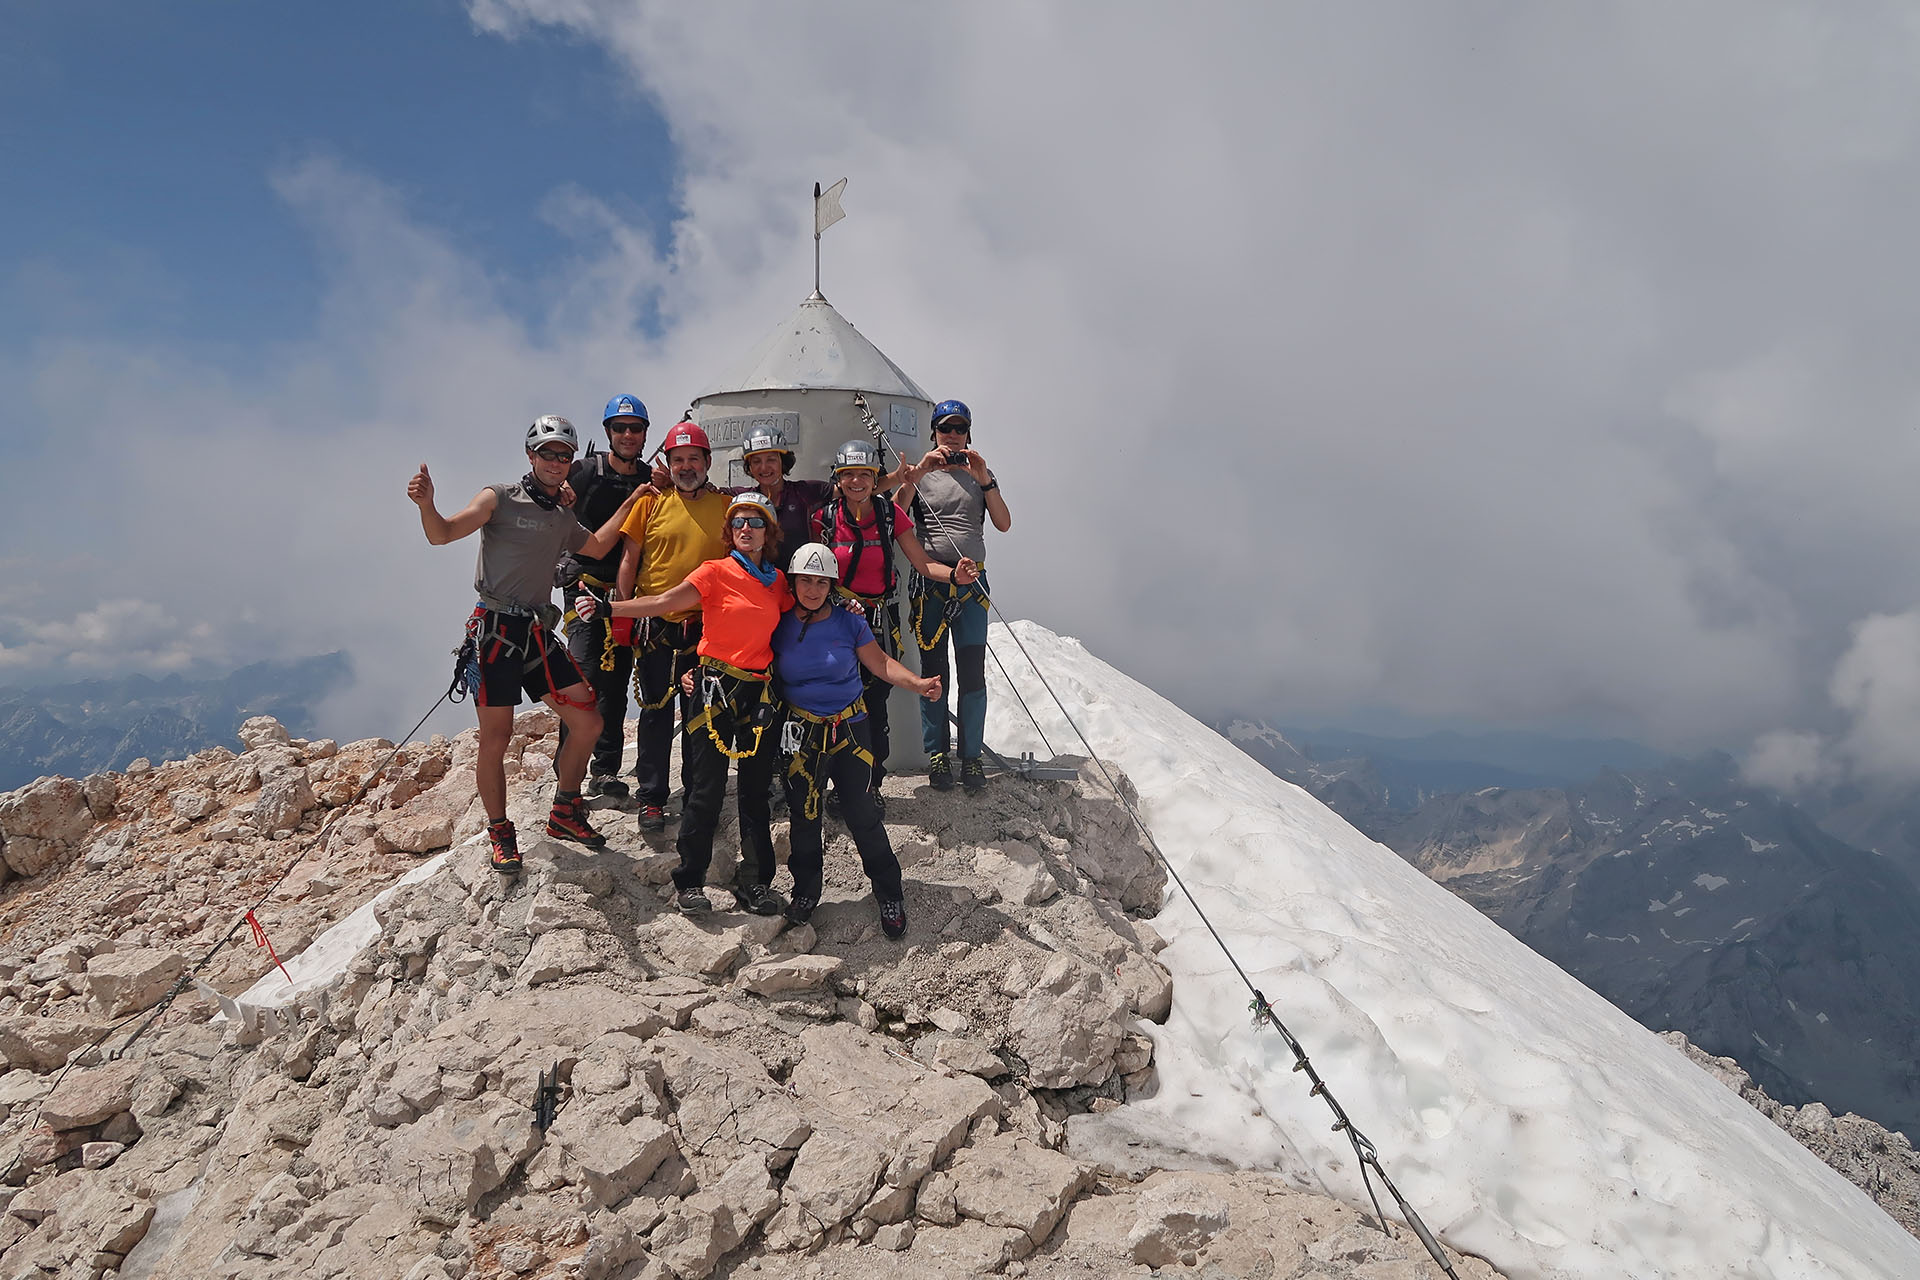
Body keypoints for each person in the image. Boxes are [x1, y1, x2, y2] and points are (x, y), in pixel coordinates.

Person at [407, 415, 643, 872]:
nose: (557, 462)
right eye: (548, 453)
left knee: (588, 722)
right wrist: (427, 505)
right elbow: (443, 533)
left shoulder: (561, 514)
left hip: (533, 631)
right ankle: (500, 831)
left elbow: (593, 547)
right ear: (531, 455)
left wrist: (634, 500)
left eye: (564, 455)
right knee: (496, 738)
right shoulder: (498, 498)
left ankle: (564, 811)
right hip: (496, 629)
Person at [599, 492, 792, 916]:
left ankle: (756, 881)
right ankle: (690, 880)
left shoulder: (778, 583)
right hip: (714, 688)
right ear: (730, 531)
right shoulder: (715, 572)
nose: (746, 528)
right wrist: (611, 608)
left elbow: (801, 620)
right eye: (738, 522)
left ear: (768, 532)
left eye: (755, 522)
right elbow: (666, 602)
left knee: (755, 792)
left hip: (757, 692)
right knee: (705, 788)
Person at [775, 542, 942, 940]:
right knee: (804, 814)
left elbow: (880, 662)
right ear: (793, 582)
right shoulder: (777, 622)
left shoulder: (850, 623)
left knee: (861, 812)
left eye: (821, 582)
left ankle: (889, 892)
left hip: (849, 729)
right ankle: (806, 891)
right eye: (805, 581)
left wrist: (917, 684)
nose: (813, 589)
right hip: (801, 732)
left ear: (831, 585)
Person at [813, 439, 981, 810]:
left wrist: (955, 575)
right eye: (848, 474)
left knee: (873, 705)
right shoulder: (824, 520)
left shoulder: (890, 515)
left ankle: (871, 785)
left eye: (864, 474)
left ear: (875, 479)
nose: (856, 481)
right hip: (836, 620)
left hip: (877, 621)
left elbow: (922, 563)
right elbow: (812, 575)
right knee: (832, 702)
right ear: (838, 480)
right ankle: (836, 785)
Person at [614, 420, 731, 832]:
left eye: (693, 459)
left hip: (706, 629)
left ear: (707, 462)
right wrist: (622, 613)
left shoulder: (726, 507)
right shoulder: (649, 503)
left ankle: (698, 798)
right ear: (667, 463)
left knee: (701, 714)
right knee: (654, 712)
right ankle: (652, 798)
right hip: (657, 626)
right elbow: (630, 560)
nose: (685, 467)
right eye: (678, 460)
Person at [908, 399, 1011, 794]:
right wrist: (917, 473)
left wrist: (984, 477)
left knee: (972, 673)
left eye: (960, 429)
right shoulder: (921, 476)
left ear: (969, 434)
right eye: (945, 428)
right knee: (934, 673)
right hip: (933, 582)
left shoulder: (979, 476)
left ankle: (970, 758)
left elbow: (1002, 523)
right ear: (933, 433)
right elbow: (898, 513)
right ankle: (937, 754)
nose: (953, 435)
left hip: (971, 585)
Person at [556, 394, 652, 798]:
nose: (627, 435)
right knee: (583, 678)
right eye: (620, 428)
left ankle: (605, 768)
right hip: (584, 588)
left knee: (614, 680)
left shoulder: (650, 478)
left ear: (645, 433)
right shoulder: (584, 474)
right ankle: (568, 770)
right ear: (608, 432)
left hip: (624, 596)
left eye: (634, 428)